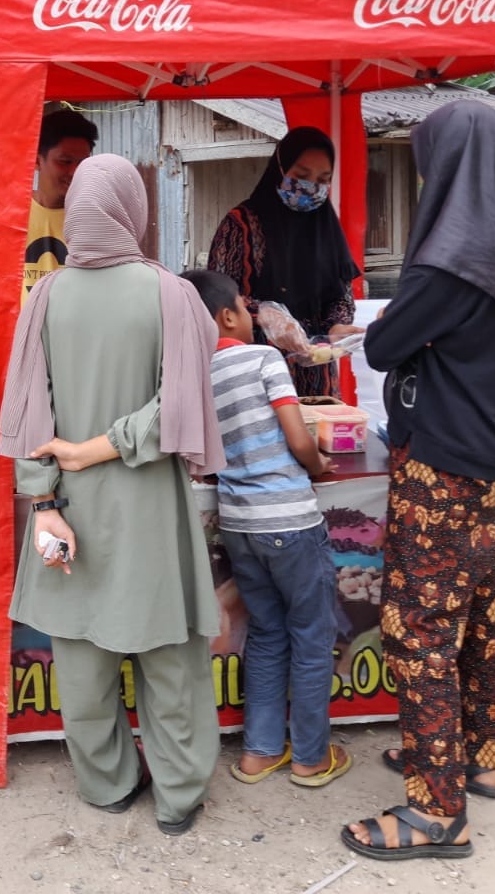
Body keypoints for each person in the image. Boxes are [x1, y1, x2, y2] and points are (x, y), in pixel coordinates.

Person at [344, 101, 495, 862]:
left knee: (419, 631)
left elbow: (382, 346)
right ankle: (480, 757)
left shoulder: (452, 258)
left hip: (445, 470)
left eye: (428, 163)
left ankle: (436, 813)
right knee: (477, 613)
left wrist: (380, 333)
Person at [0, 154, 226, 836]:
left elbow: (28, 415)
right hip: (152, 508)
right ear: (133, 210)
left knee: (81, 664)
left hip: (67, 509)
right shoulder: (170, 294)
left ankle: (106, 786)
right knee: (170, 663)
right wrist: (111, 442)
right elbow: (182, 405)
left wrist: (45, 497)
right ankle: (179, 796)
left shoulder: (44, 297)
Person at [181, 268, 352, 788]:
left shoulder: (193, 377)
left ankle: (258, 752)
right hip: (291, 522)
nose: (252, 314)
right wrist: (318, 463)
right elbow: (299, 439)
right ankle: (310, 757)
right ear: (227, 316)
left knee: (267, 634)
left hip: (239, 526)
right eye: (244, 305)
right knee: (311, 636)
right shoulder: (263, 359)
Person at [207, 127, 362, 397]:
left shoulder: (326, 227)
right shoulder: (241, 225)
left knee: (318, 438)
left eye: (323, 179)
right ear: (279, 169)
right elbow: (218, 297)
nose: (311, 186)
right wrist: (263, 314)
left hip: (316, 374)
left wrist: (336, 327)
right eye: (301, 176)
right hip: (254, 373)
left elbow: (340, 294)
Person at [24, 107, 99, 300]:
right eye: (65, 161)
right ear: (36, 160)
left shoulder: (97, 219)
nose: (74, 171)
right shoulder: (11, 215)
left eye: (82, 163)